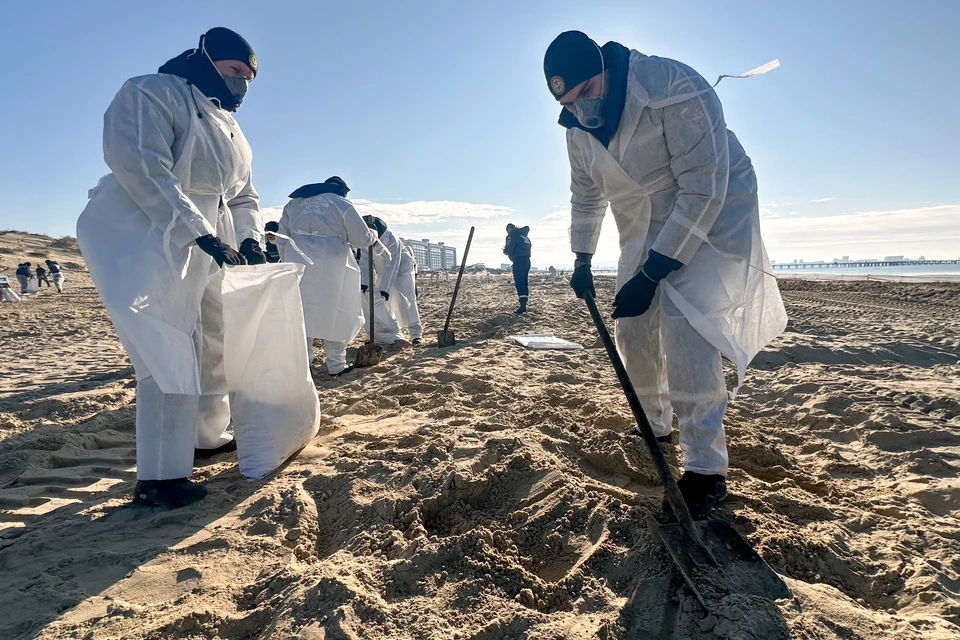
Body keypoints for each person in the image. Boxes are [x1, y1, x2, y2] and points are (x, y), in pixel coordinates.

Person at [544, 31, 786, 518]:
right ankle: (654, 422)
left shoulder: (673, 85)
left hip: (712, 210)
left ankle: (705, 469)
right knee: (632, 329)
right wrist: (582, 260)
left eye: (585, 94)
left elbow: (703, 187)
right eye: (568, 104)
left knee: (686, 330)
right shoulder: (576, 128)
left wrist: (654, 273)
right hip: (642, 219)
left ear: (604, 73)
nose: (580, 110)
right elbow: (586, 196)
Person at [76, 27, 267, 509]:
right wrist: (195, 230)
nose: (240, 81)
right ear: (206, 60)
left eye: (248, 75)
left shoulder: (231, 127)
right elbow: (140, 163)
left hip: (214, 243)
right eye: (233, 70)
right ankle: (160, 476)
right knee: (168, 344)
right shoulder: (152, 91)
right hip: (152, 232)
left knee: (213, 340)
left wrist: (248, 238)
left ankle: (207, 435)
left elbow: (244, 194)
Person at [277, 176, 378, 375]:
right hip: (333, 262)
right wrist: (372, 233)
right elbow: (361, 238)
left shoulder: (293, 204)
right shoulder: (342, 204)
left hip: (298, 258)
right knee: (337, 308)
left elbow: (281, 238)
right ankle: (336, 364)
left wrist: (288, 261)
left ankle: (303, 364)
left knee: (301, 310)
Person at [359, 216, 423, 344]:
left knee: (406, 298)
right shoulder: (364, 240)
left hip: (402, 269)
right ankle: (390, 333)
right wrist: (365, 283)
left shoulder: (391, 239)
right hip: (382, 270)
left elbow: (392, 264)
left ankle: (416, 333)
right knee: (383, 301)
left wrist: (385, 289)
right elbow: (365, 263)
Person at [503, 223, 532, 314]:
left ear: (509, 229)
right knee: (524, 282)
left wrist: (505, 251)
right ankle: (524, 303)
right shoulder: (524, 236)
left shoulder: (512, 235)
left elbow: (509, 249)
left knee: (519, 282)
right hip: (527, 260)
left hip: (518, 260)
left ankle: (522, 306)